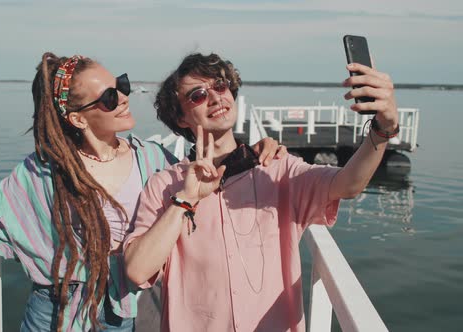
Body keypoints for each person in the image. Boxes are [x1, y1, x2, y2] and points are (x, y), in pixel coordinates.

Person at [0, 52, 285, 331]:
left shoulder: (153, 160)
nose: (124, 97)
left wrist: (259, 151)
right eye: (109, 97)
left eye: (120, 85)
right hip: (55, 313)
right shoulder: (46, 173)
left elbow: (207, 172)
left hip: (124, 312)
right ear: (77, 118)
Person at [123, 52, 400, 331]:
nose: (217, 98)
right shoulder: (165, 185)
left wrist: (382, 129)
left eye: (220, 86)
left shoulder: (277, 169)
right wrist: (186, 200)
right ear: (180, 117)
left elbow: (349, 184)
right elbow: (137, 271)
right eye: (198, 95)